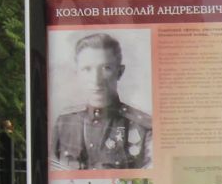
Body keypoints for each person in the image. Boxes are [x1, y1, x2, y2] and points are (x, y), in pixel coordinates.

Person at [51, 33, 151, 169]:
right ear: (77, 73)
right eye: (87, 69)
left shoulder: (143, 127)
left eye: (106, 68)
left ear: (120, 72)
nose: (96, 80)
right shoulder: (64, 124)